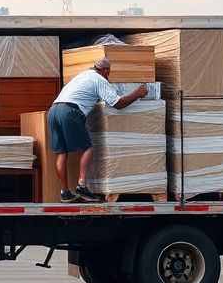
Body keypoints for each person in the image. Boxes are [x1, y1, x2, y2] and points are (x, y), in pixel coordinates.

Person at [48, 58, 148, 203]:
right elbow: (117, 103)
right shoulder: (99, 79)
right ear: (105, 71)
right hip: (70, 111)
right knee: (87, 148)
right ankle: (82, 186)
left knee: (61, 153)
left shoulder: (82, 75)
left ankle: (65, 192)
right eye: (109, 73)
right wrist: (137, 93)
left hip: (54, 111)